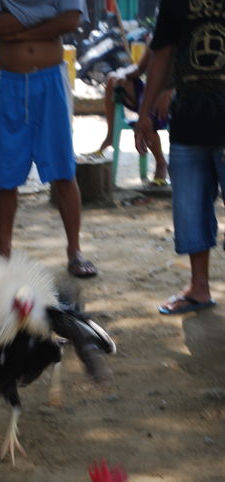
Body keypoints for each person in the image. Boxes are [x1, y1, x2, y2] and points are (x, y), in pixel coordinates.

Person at [0, 0, 97, 277]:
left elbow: (71, 20)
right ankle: (4, 250)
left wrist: (17, 30)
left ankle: (75, 251)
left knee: (64, 171)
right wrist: (46, 19)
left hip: (51, 81)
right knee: (6, 175)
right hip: (10, 82)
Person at [135, 0, 225, 315]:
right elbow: (163, 54)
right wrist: (145, 114)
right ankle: (198, 288)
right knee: (189, 208)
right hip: (189, 118)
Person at [95, 38, 173, 186]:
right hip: (150, 92)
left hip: (176, 95)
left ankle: (160, 163)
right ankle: (111, 135)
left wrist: (167, 92)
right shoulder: (157, 37)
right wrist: (122, 73)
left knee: (149, 114)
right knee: (113, 79)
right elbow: (138, 69)